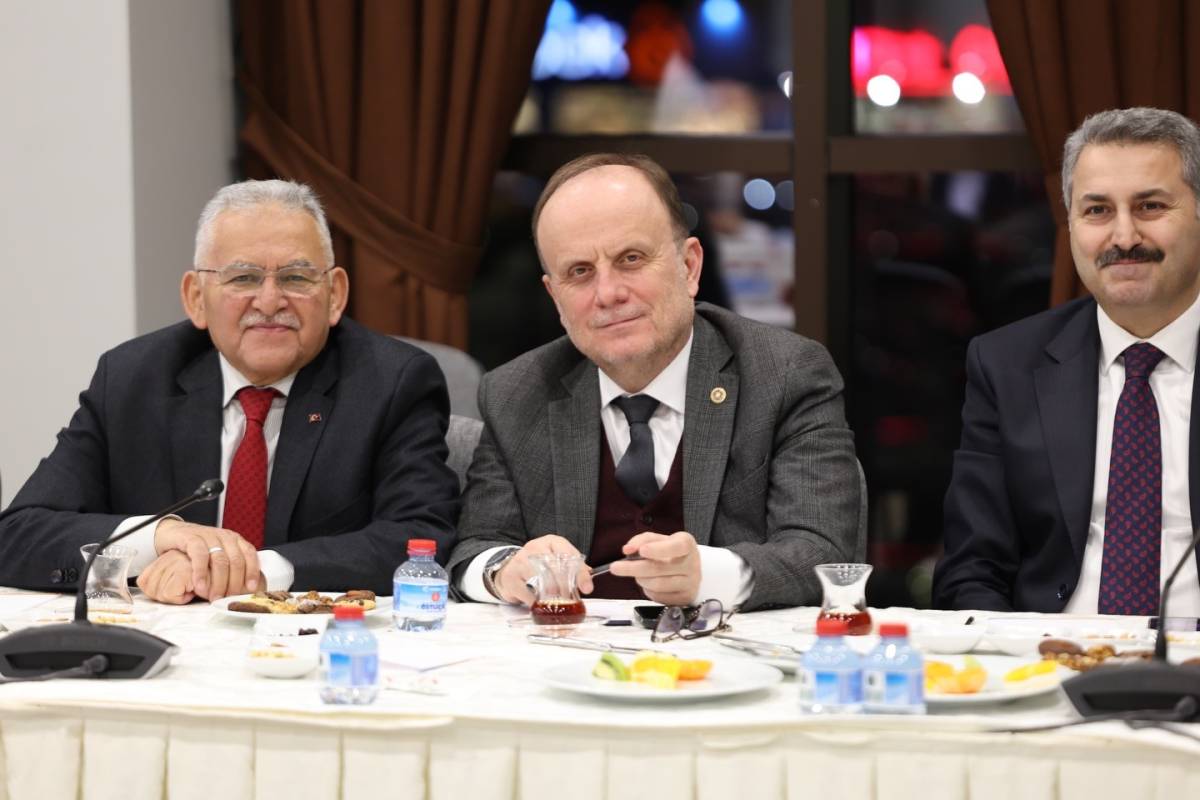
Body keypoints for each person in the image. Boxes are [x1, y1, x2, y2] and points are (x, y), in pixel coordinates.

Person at [0, 180, 460, 602]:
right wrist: (158, 538)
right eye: (243, 278)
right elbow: (18, 534)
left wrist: (253, 570)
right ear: (196, 298)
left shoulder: (392, 381)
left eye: (296, 278)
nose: (269, 301)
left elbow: (422, 538)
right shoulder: (131, 379)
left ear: (335, 295)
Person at [448, 154, 861, 611]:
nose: (608, 294)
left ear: (689, 266)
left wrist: (707, 575)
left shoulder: (784, 374)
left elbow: (822, 552)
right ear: (554, 296)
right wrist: (505, 569)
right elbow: (474, 548)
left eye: (631, 259)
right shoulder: (515, 393)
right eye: (580, 272)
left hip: (726, 649)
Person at [935, 107, 1200, 615]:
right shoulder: (1006, 365)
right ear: (1071, 225)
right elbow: (971, 568)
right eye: (1097, 210)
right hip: (1050, 651)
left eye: (1150, 206)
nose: (1124, 237)